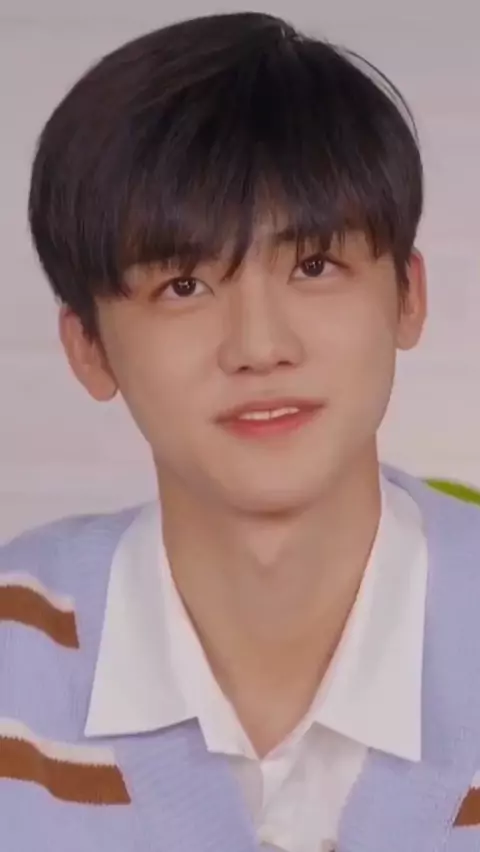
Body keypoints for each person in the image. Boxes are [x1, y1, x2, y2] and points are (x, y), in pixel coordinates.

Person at [1, 11, 479, 852]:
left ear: (408, 297)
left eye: (315, 266)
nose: (260, 346)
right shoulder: (17, 649)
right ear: (88, 348)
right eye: (184, 286)